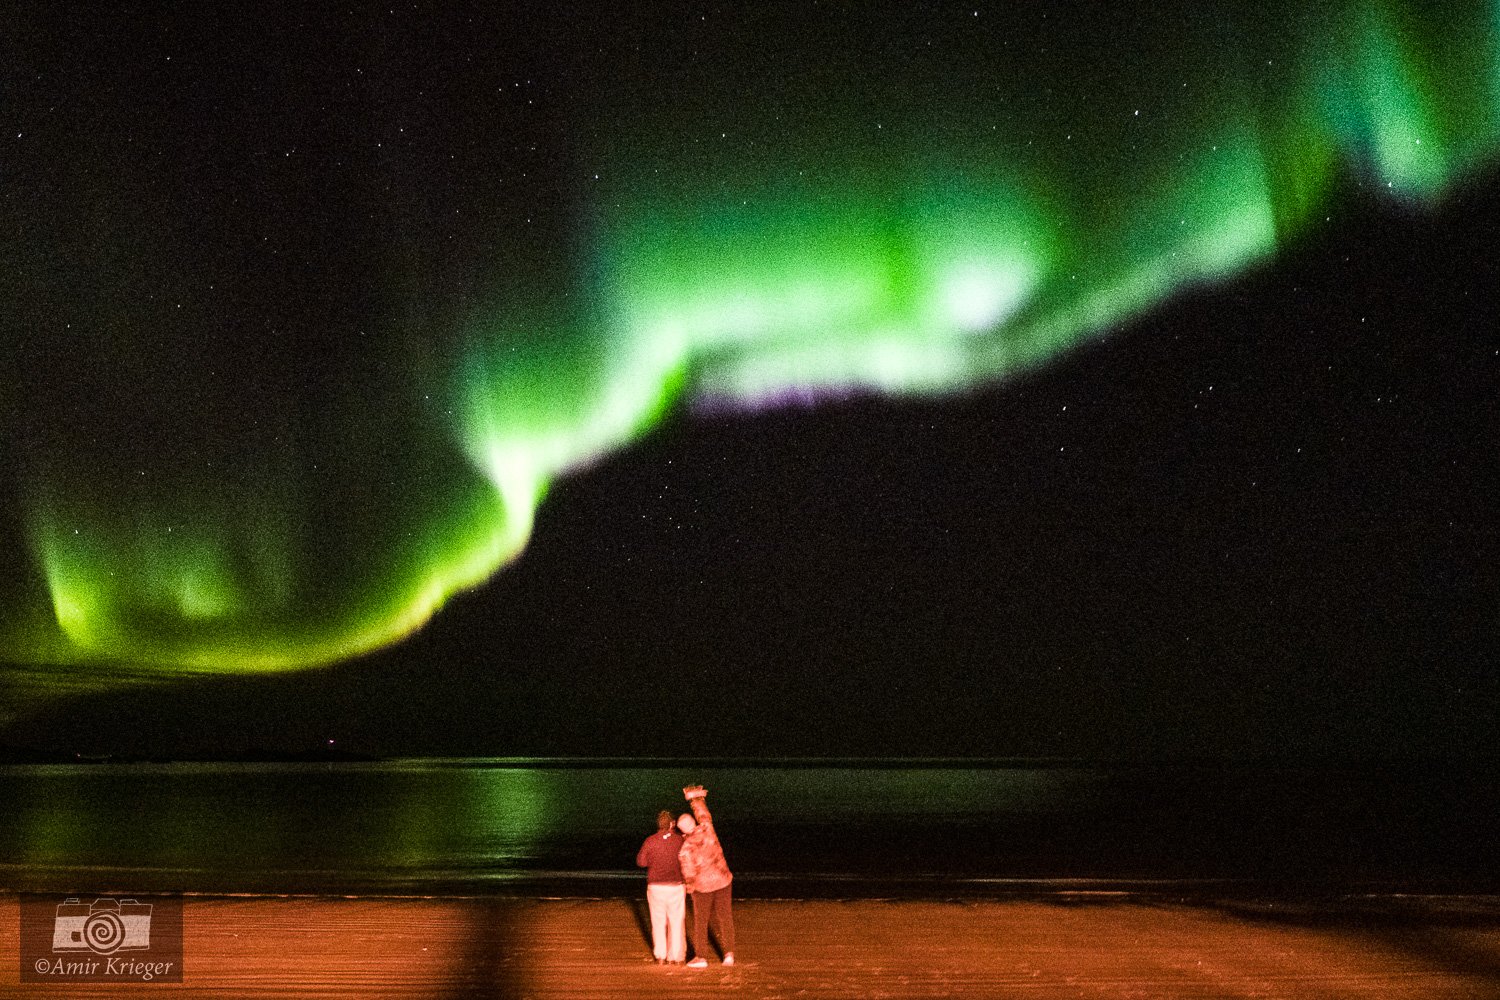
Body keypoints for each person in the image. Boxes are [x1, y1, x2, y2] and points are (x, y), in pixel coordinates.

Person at [677, 784, 734, 968]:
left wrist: (689, 887)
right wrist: (695, 799)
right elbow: (704, 815)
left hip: (703, 887)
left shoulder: (686, 848)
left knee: (701, 922)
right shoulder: (708, 829)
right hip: (723, 880)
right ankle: (729, 955)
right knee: (726, 918)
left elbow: (689, 873)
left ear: (683, 830)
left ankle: (701, 957)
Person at [636, 810, 686, 964]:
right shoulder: (679, 841)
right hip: (676, 886)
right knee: (676, 922)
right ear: (672, 824)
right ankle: (676, 956)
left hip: (656, 887)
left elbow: (641, 862)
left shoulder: (650, 841)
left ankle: (661, 956)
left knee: (658, 922)